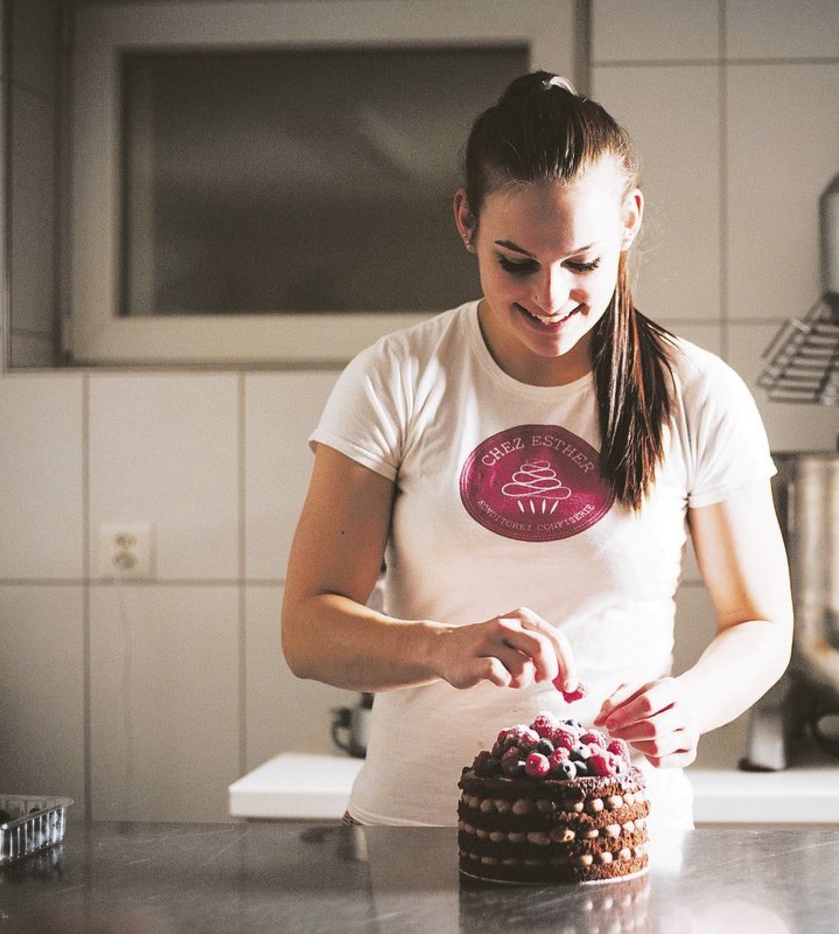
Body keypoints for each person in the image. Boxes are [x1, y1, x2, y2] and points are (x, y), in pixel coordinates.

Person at [281, 71, 793, 828]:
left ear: (629, 221)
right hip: (416, 832)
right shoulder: (395, 378)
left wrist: (693, 703)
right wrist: (440, 647)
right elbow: (308, 629)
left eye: (582, 264)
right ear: (465, 220)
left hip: (618, 835)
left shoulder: (695, 392)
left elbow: (761, 623)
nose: (550, 298)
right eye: (515, 261)